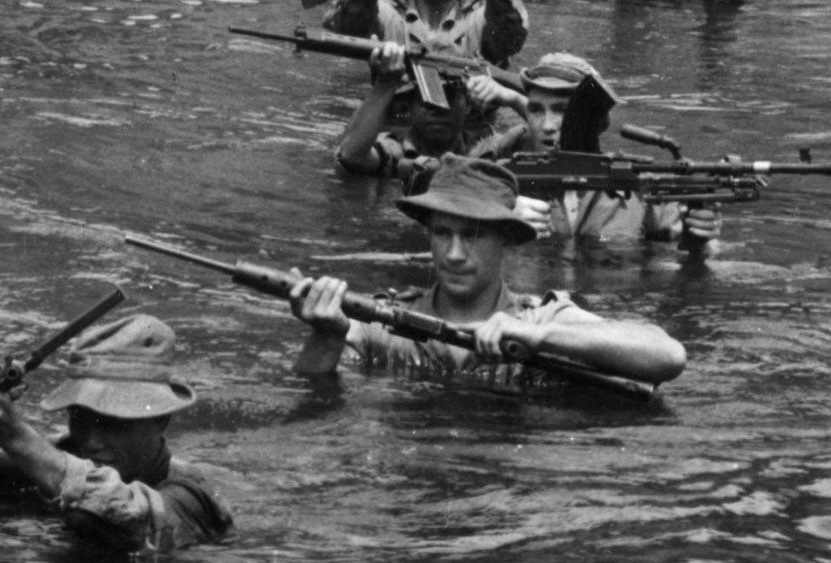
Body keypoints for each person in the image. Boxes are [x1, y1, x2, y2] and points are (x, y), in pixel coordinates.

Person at [288, 155, 688, 388]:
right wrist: (325, 338)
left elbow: (667, 356)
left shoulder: (539, 319)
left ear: (507, 241)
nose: (455, 254)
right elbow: (308, 395)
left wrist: (542, 337)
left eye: (474, 236)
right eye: (442, 233)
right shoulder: (382, 324)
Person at [0, 314, 232, 553]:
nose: (92, 440)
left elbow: (136, 521)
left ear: (162, 420)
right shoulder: (63, 455)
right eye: (80, 417)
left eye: (114, 422)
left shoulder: (193, 498)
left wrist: (16, 437)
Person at [465, 52, 723, 257]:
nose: (546, 125)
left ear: (593, 119)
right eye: (535, 110)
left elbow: (690, 272)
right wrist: (495, 220)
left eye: (560, 110)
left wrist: (701, 242)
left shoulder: (637, 191)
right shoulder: (496, 182)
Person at [324, 0, 529, 177]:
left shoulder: (482, 16)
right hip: (393, 134)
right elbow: (344, 26)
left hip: (473, 142)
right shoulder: (388, 12)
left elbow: (511, 38)